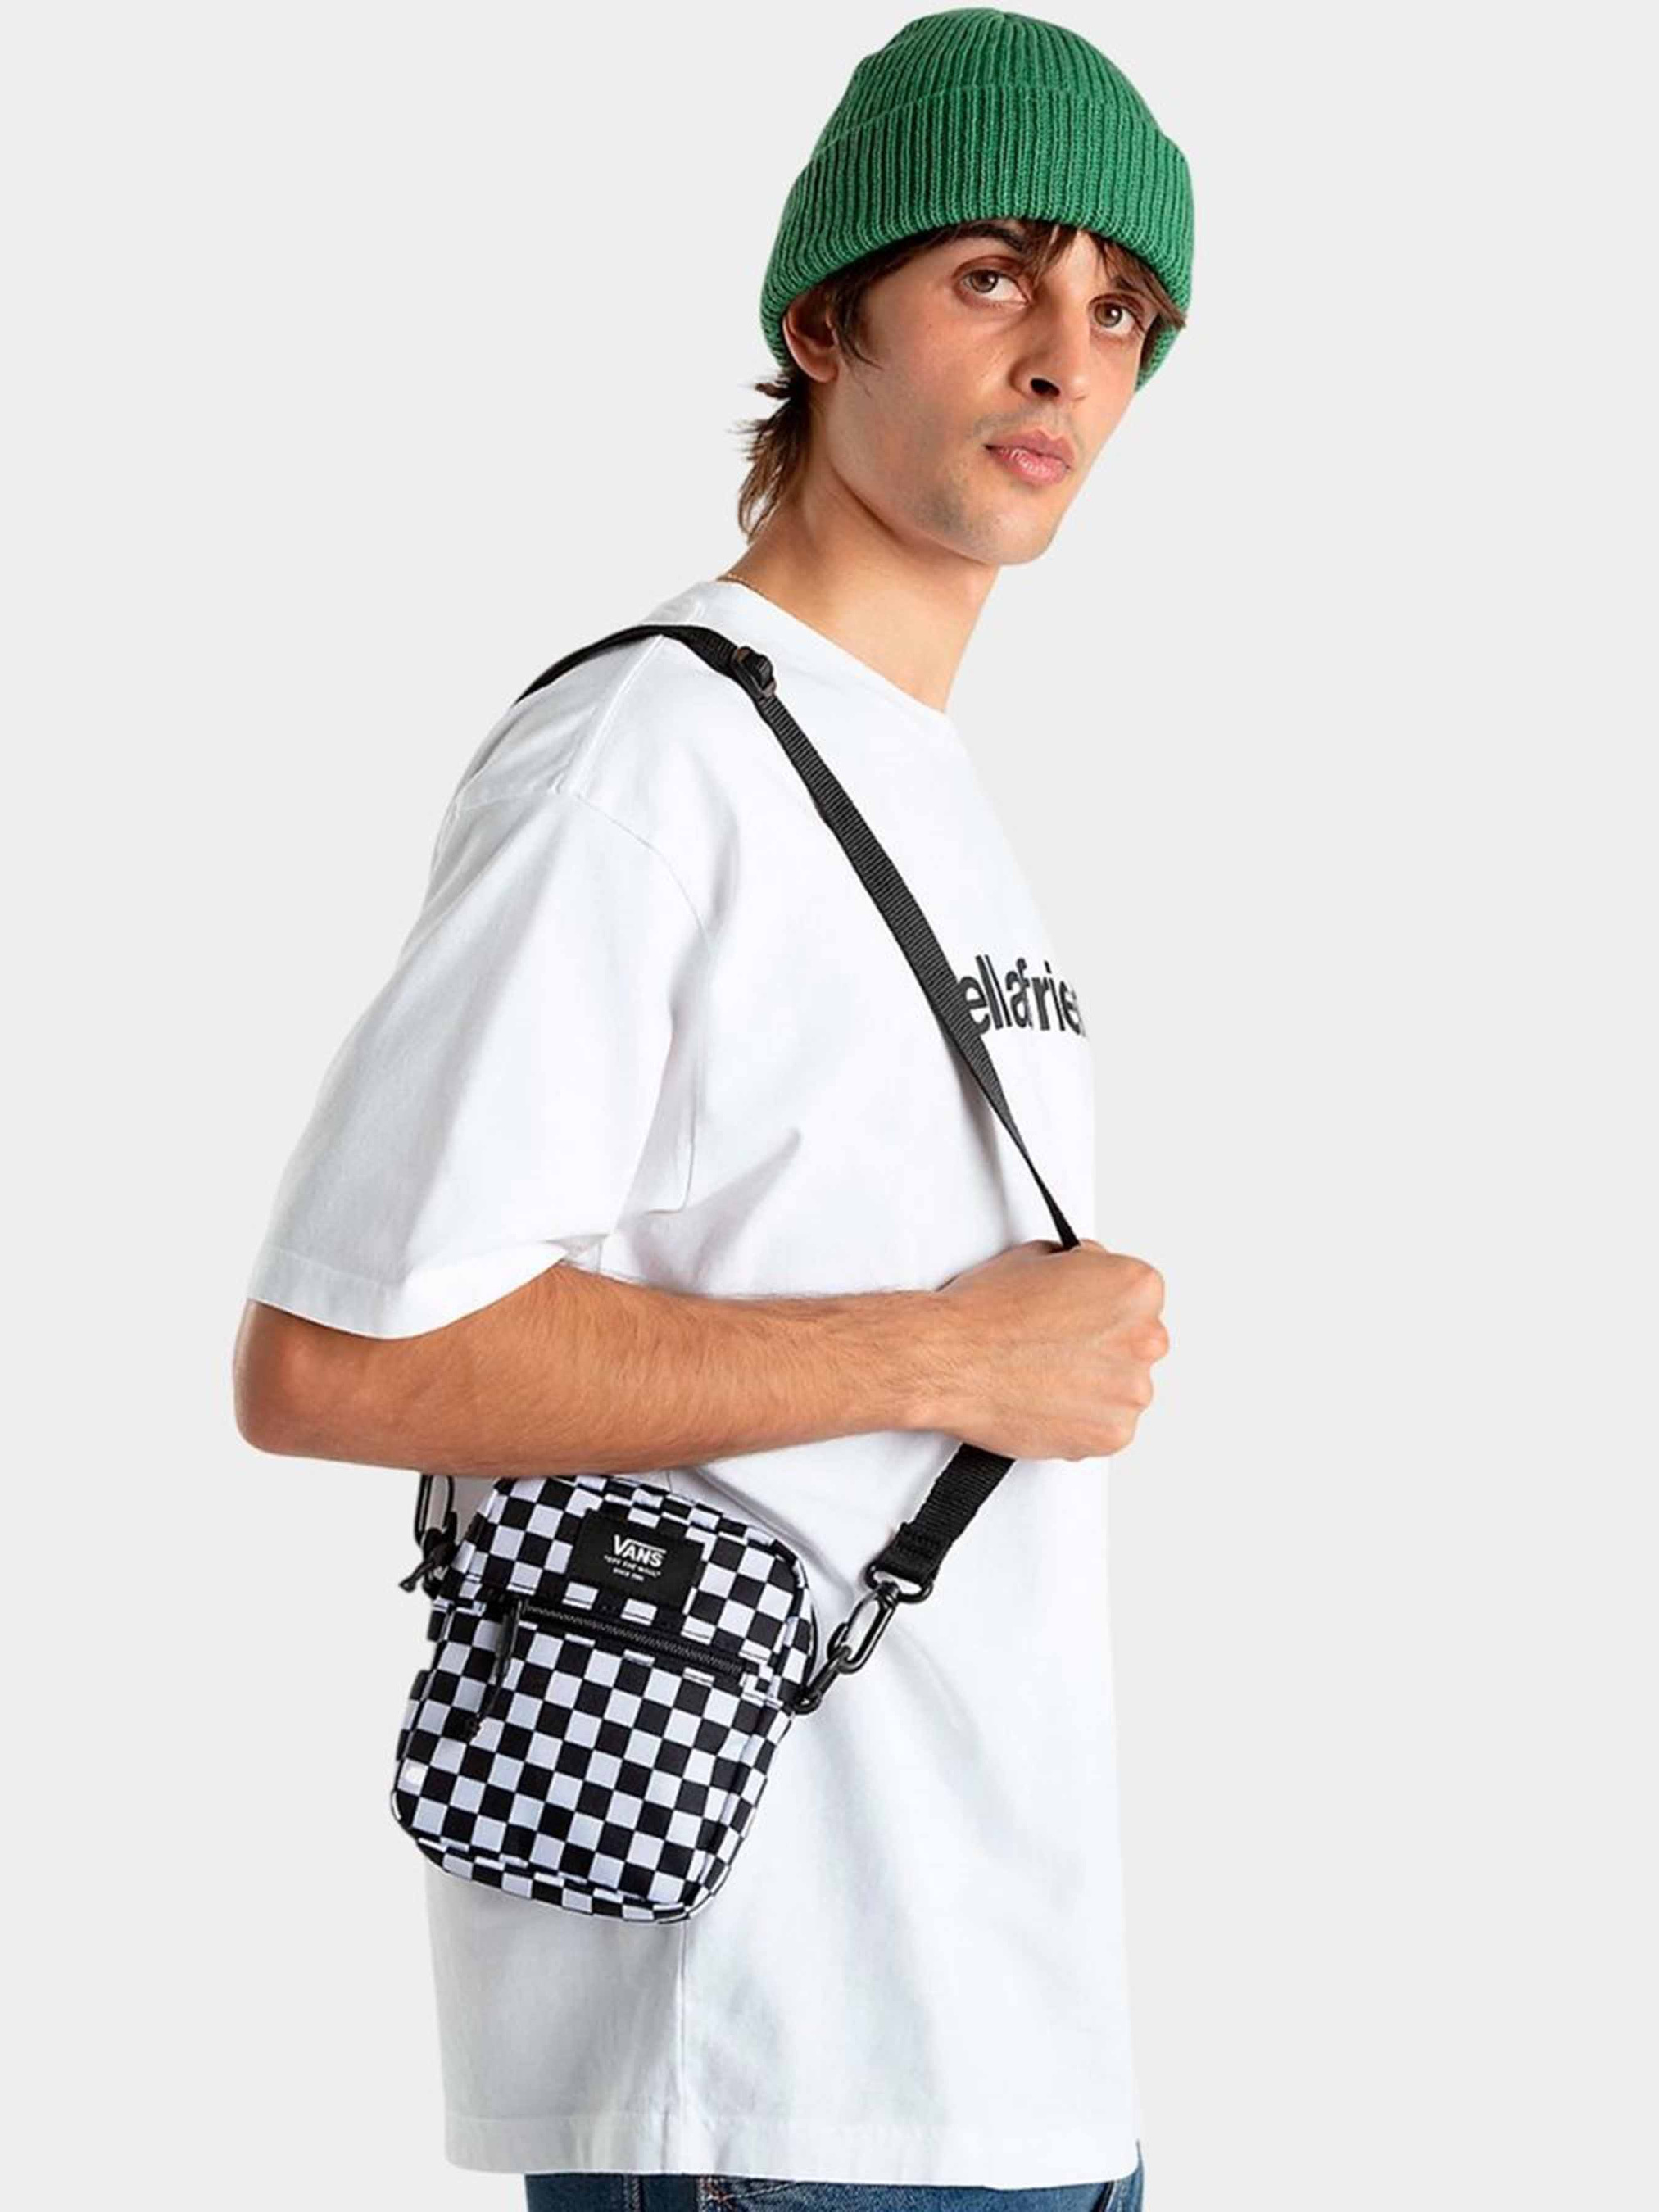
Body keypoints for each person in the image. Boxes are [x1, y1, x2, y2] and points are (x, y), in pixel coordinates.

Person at [233, 8, 1191, 2208]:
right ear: (820, 321)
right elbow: (336, 1354)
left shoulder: (923, 782)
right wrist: (947, 1356)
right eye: (991, 274)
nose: (1063, 355)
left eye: (1119, 308)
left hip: (1010, 2046)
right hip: (768, 2069)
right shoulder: (649, 759)